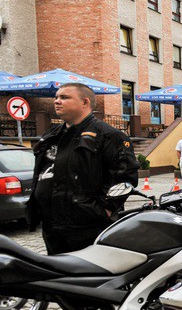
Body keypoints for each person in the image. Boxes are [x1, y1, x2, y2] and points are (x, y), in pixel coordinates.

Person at [27, 83, 139, 254]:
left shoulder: (109, 135)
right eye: (56, 97)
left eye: (64, 97)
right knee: (59, 276)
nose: (57, 101)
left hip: (87, 227)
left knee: (89, 278)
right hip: (52, 226)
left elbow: (125, 178)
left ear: (85, 102)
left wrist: (104, 210)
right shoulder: (52, 134)